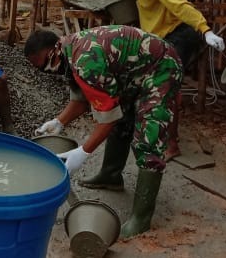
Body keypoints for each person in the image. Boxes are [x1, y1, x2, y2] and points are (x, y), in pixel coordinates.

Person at [26, 25, 182, 239]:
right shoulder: (68, 55)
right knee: (123, 120)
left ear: (54, 49)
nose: (46, 69)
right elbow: (82, 99)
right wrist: (59, 122)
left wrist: (83, 152)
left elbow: (109, 117)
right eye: (39, 68)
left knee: (149, 138)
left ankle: (141, 219)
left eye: (45, 62)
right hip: (134, 71)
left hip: (161, 67)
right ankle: (111, 175)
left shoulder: (85, 61)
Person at [101, 0, 224, 157]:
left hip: (176, 33)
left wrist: (204, 29)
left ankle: (171, 145)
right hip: (163, 33)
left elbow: (177, 3)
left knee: (167, 89)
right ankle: (163, 136)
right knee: (163, 87)